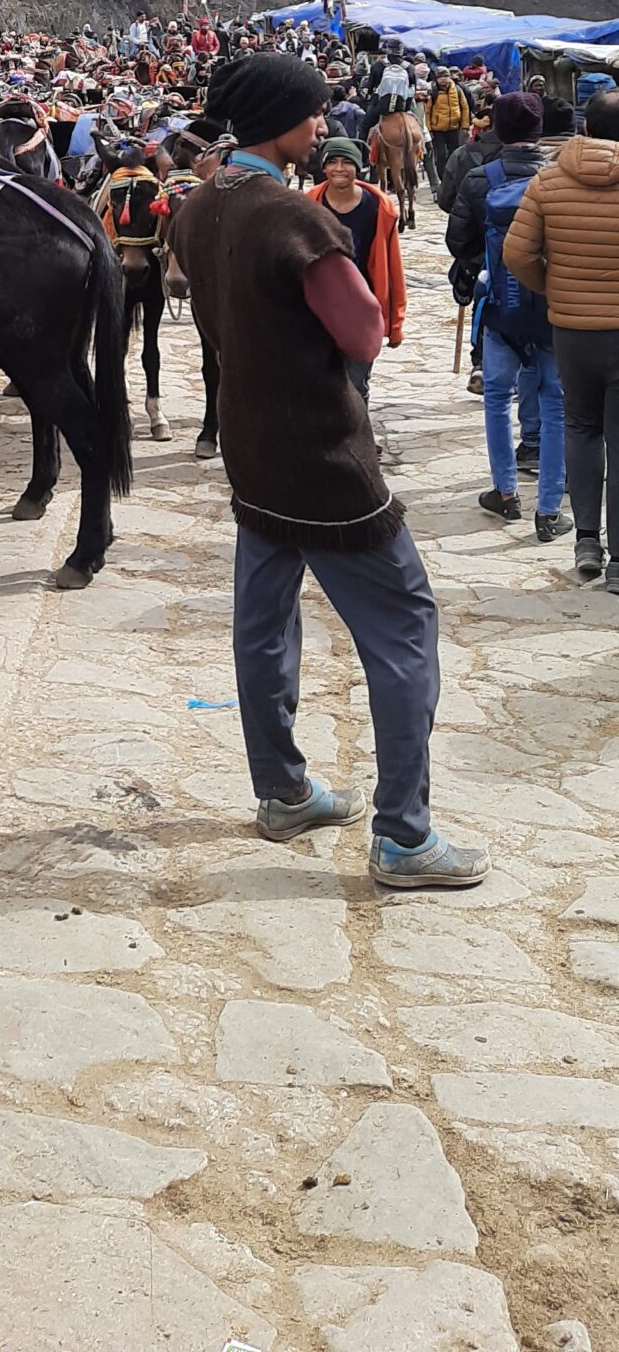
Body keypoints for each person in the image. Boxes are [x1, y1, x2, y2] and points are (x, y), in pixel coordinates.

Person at [168, 53, 487, 890]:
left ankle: (283, 792)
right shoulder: (294, 219)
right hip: (324, 455)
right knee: (405, 627)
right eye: (311, 115)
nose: (322, 128)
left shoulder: (199, 205)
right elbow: (365, 333)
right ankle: (405, 839)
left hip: (252, 446)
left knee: (265, 623)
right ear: (279, 119)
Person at [504, 86, 619, 584]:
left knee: (581, 428)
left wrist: (555, 288)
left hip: (572, 329)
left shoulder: (548, 182)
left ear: (584, 128)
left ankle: (587, 544)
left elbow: (517, 254)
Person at [446, 92, 568, 541]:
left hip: (501, 307)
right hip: (554, 308)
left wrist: (491, 264)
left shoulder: (481, 178)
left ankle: (505, 492)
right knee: (555, 404)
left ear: (496, 126)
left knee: (497, 399)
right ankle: (550, 508)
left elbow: (457, 241)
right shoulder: (557, 179)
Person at [307, 137, 406, 402]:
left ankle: (357, 441)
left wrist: (395, 323)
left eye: (347, 162)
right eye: (333, 162)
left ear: (359, 167)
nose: (339, 168)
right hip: (317, 307)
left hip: (362, 306)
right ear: (324, 168)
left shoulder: (378, 208)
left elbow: (392, 267)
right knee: (317, 383)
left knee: (356, 384)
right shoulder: (307, 207)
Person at [425, 67, 471, 192]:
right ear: (436, 79)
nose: (443, 80)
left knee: (454, 154)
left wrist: (465, 125)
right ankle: (442, 179)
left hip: (454, 128)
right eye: (440, 77)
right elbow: (427, 112)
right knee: (441, 155)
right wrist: (428, 129)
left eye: (445, 76)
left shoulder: (457, 89)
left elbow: (465, 108)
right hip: (437, 129)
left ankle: (454, 178)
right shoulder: (432, 92)